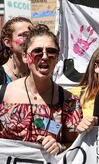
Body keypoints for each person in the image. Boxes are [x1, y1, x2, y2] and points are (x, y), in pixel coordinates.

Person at [0, 24, 92, 155]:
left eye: (51, 51)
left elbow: (75, 145)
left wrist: (59, 147)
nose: (44, 56)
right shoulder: (3, 94)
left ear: (57, 57)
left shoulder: (69, 101)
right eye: (37, 51)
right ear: (26, 56)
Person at [0, 17, 33, 84]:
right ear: (8, 42)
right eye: (23, 35)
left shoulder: (38, 72)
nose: (30, 38)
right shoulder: (1, 75)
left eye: (32, 34)